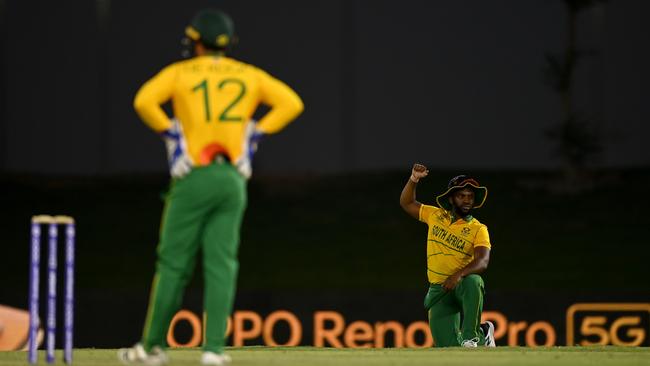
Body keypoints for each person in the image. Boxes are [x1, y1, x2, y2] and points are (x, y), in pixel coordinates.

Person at [118, 9, 303, 366]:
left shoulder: (180, 72)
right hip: (233, 177)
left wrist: (171, 133)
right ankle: (213, 351)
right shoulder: (248, 74)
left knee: (173, 264)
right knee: (222, 265)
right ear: (228, 43)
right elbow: (292, 103)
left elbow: (143, 101)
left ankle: (151, 348)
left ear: (195, 41)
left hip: (194, 175)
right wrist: (255, 134)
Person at [399, 163, 496, 347]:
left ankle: (472, 336)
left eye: (470, 196)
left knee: (474, 281)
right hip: (439, 289)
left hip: (461, 285)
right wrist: (414, 179)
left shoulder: (478, 228)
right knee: (448, 347)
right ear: (451, 199)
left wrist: (458, 275)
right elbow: (407, 203)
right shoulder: (435, 215)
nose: (467, 200)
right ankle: (485, 335)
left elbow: (482, 262)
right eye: (461, 196)